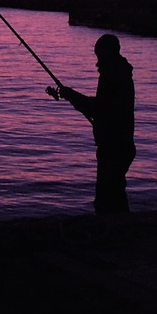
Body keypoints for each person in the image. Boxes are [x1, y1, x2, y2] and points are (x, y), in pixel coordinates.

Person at [47, 33, 136, 215]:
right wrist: (71, 96)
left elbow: (99, 108)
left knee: (107, 198)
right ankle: (121, 230)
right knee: (115, 194)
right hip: (120, 143)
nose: (97, 59)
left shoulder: (111, 74)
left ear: (105, 52)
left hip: (114, 145)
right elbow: (103, 107)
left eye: (98, 54)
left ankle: (114, 235)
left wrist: (70, 95)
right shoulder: (119, 72)